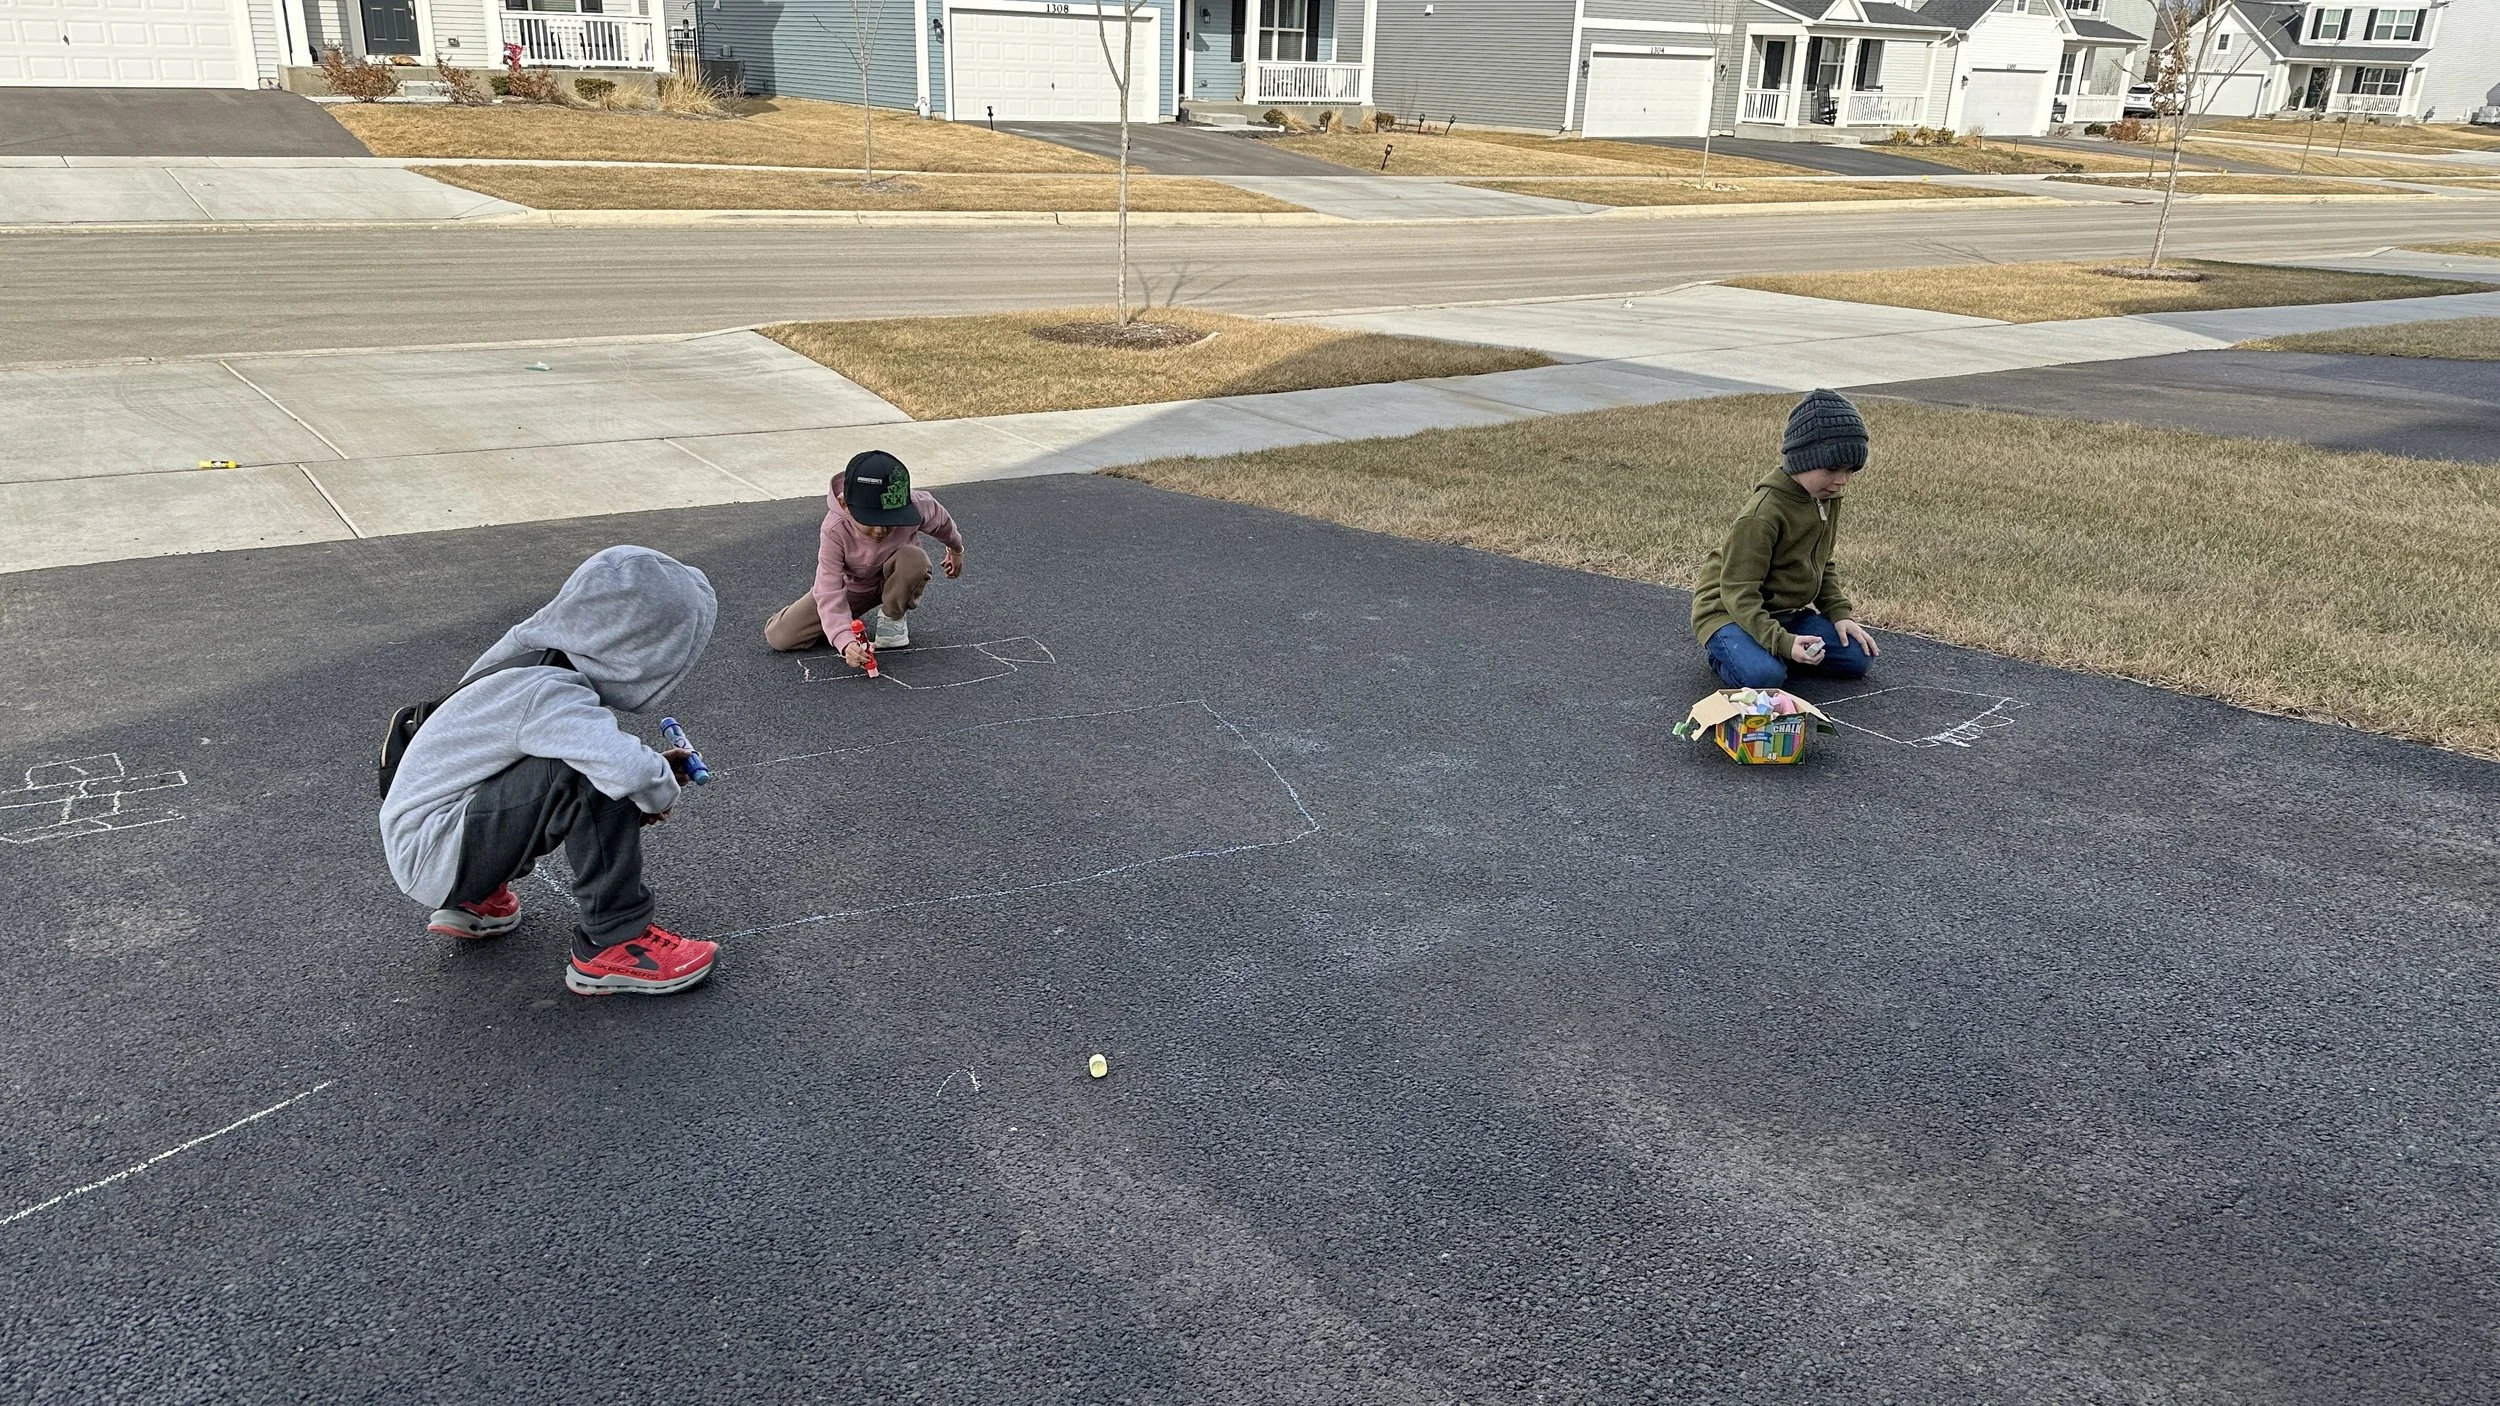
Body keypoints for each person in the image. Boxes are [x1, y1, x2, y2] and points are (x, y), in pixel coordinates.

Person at [379, 546, 721, 998]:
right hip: (435, 855)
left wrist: (643, 775)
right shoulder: (547, 694)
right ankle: (613, 940)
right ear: (638, 645)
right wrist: (655, 789)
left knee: (594, 759)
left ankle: (475, 899)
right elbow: (626, 771)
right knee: (589, 768)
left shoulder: (530, 657)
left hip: (430, 836)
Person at [1689, 388, 1883, 690]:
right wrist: (1783, 642)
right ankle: (1728, 654)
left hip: (1785, 615)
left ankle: (1778, 650)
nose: (1842, 480)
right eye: (1832, 469)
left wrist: (1839, 614)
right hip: (1731, 613)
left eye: (1851, 471)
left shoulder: (1825, 498)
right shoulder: (1762, 514)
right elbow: (1738, 592)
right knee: (1764, 677)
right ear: (1803, 459)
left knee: (1857, 657)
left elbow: (1823, 562)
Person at [764, 449, 966, 667]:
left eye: (890, 520)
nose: (880, 530)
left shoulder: (918, 505)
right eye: (870, 521)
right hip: (853, 589)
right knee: (779, 637)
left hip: (895, 577)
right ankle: (835, 623)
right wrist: (844, 640)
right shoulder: (834, 529)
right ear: (844, 505)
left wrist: (956, 549)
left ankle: (892, 617)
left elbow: (943, 523)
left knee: (914, 559)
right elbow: (829, 589)